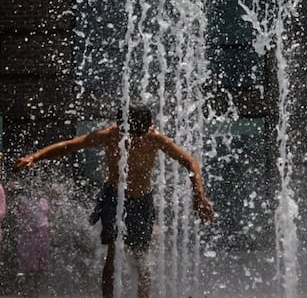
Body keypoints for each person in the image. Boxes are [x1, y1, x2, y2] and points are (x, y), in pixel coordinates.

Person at [13, 103, 214, 298]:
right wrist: (35, 157)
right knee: (112, 253)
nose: (134, 139)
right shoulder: (110, 135)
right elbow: (70, 145)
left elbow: (190, 161)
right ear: (121, 126)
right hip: (113, 198)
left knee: (139, 258)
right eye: (130, 134)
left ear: (149, 125)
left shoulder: (155, 139)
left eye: (139, 134)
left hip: (142, 201)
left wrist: (199, 194)